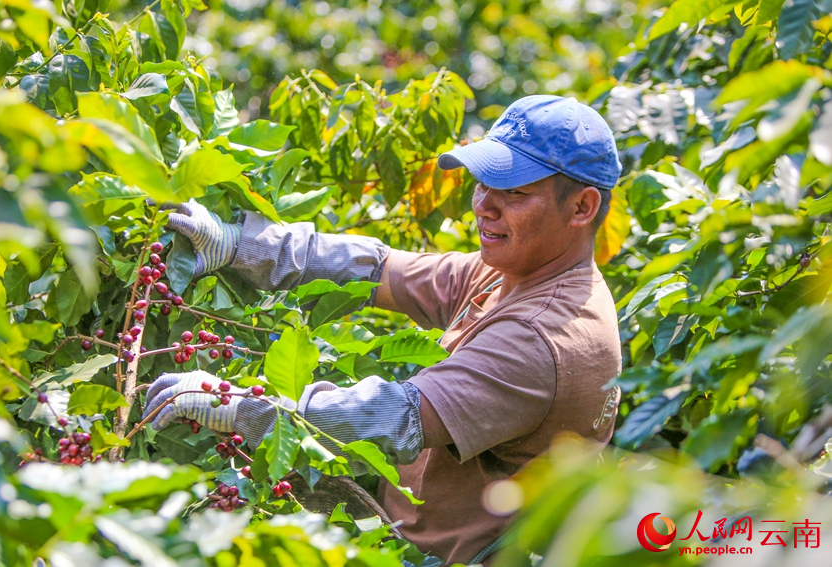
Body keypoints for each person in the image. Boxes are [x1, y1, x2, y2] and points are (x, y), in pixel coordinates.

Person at [144, 95, 623, 566]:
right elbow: (380, 270)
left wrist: (244, 406)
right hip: (401, 529)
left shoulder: (546, 336)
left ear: (581, 208)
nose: (485, 206)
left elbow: (398, 416)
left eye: (515, 194)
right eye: (482, 184)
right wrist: (239, 243)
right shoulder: (513, 271)